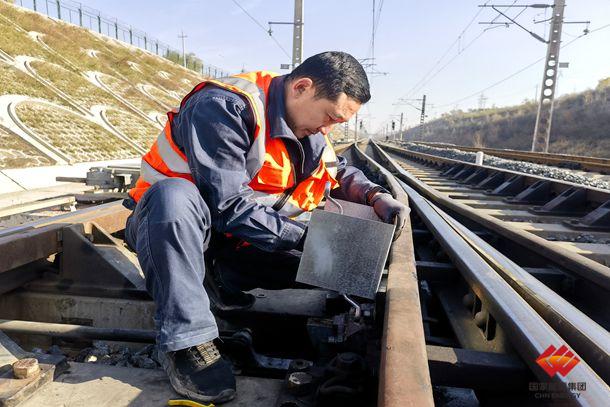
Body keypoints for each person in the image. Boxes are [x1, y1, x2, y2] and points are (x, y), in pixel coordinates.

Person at [123, 51, 409, 404]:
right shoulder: (224, 107)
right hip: (173, 230)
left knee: (343, 265)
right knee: (174, 196)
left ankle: (221, 279)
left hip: (236, 242)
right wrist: (308, 238)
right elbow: (227, 204)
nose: (328, 129)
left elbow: (335, 169)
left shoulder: (306, 127)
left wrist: (374, 194)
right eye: (330, 117)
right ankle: (187, 343)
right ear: (302, 87)